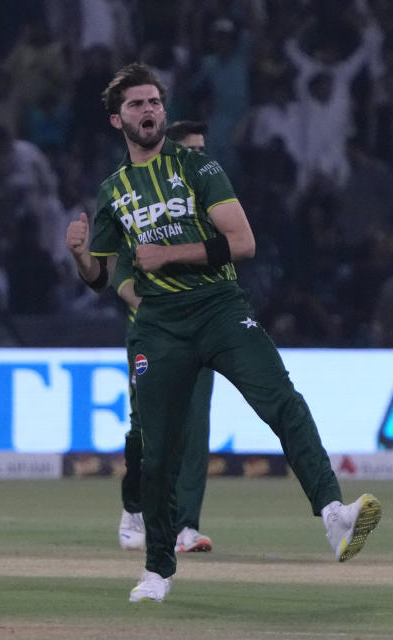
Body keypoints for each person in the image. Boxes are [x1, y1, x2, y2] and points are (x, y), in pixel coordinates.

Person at [65, 63, 382, 604]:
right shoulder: (113, 190)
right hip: (159, 326)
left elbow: (243, 242)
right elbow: (99, 278)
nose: (149, 111)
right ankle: (157, 572)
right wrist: (79, 255)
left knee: (282, 401)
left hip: (218, 308)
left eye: (155, 102)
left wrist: (168, 254)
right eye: (137, 105)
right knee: (159, 451)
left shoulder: (198, 165)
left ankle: (335, 515)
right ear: (118, 120)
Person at [117, 120, 215, 555]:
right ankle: (134, 510)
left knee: (194, 429)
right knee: (148, 429)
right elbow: (117, 269)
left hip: (202, 328)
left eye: (203, 149)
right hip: (153, 332)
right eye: (190, 149)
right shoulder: (136, 199)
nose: (199, 156)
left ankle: (185, 526)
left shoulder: (214, 201)